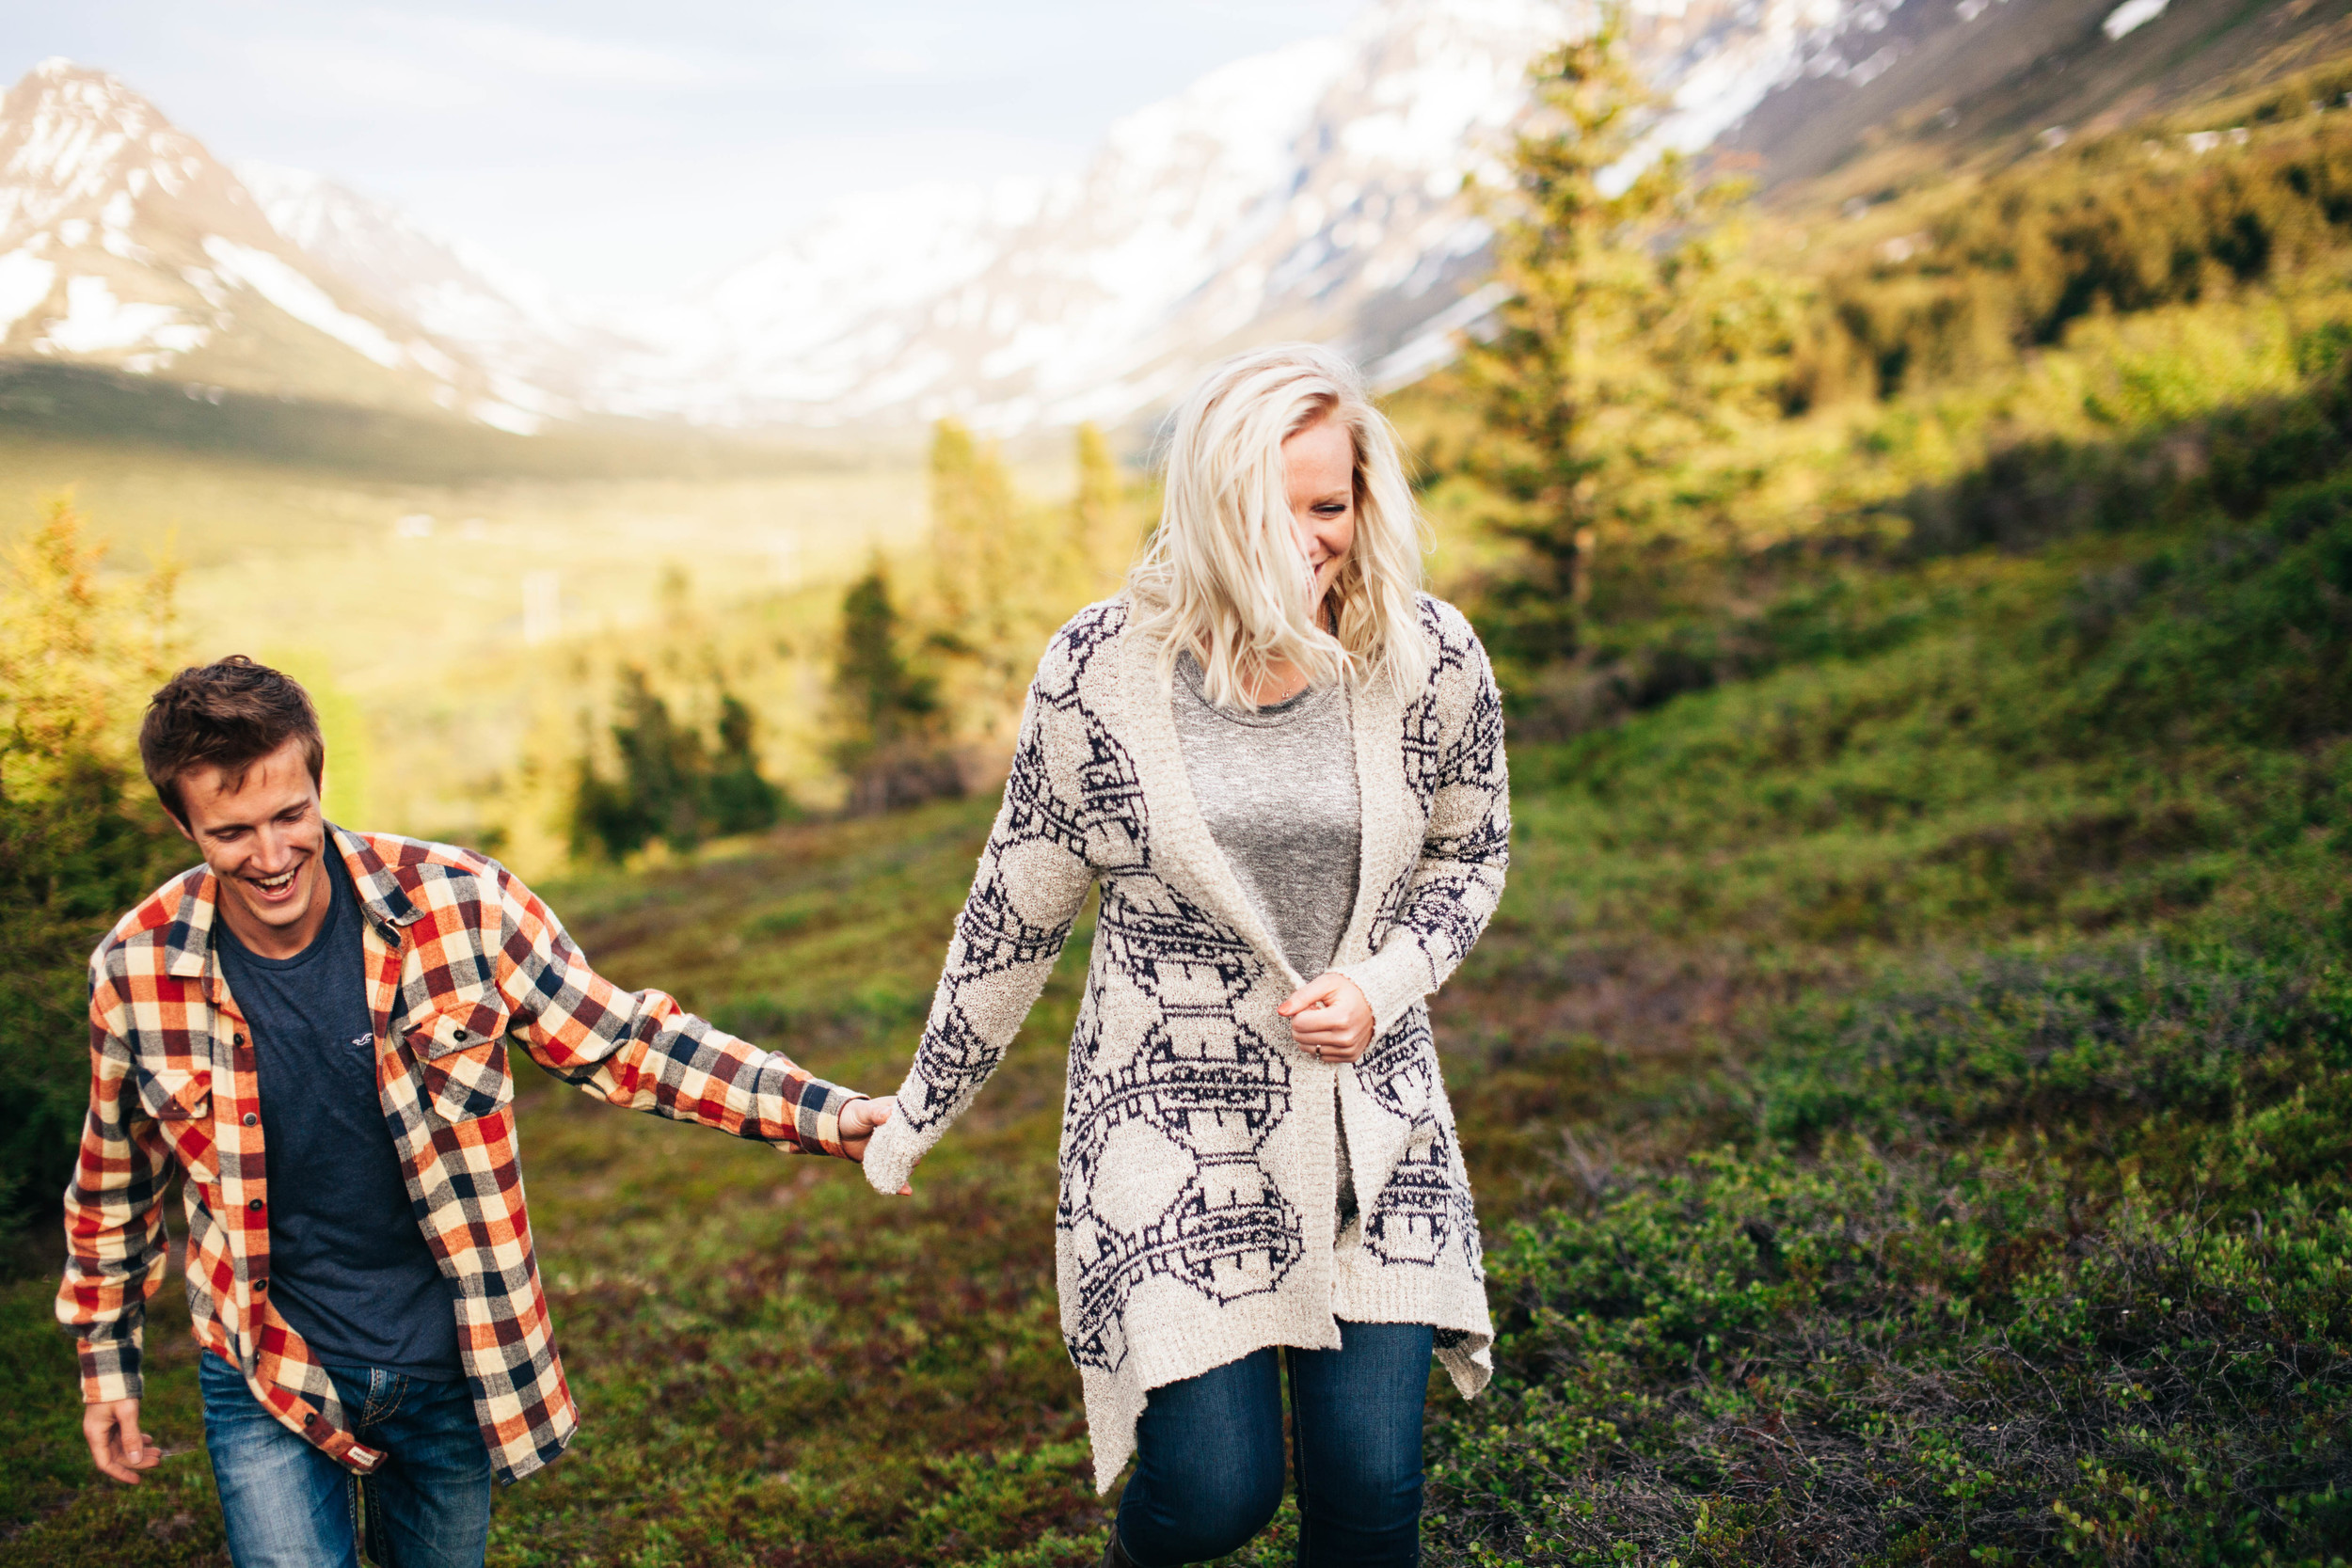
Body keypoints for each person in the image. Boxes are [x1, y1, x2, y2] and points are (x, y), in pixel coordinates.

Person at [861, 342, 1511, 1566]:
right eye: (1273, 507)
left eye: (1332, 503)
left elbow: (1471, 854)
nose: (1309, 538)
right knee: (1215, 1489)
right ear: (1210, 506)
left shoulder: (1429, 657)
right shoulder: (1099, 672)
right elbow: (1018, 903)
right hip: (1166, 1113)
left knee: (1372, 1492)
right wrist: (920, 1105)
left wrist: (1381, 985)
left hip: (1370, 1117)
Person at [56, 657, 897, 1568]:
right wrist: (106, 1361)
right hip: (269, 1368)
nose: (270, 855)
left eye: (290, 815)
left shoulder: (458, 902)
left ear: (317, 783)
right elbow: (114, 1183)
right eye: (231, 831)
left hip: (452, 1360)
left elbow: (626, 1042)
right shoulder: (134, 972)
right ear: (182, 824)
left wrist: (824, 1112)